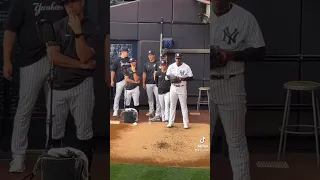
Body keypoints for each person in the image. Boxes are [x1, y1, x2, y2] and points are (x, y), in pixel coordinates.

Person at [2, 0, 66, 173]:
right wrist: (7, 60)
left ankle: (52, 154)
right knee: (24, 109)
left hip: (58, 60)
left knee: (55, 109)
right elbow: (10, 31)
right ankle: (18, 157)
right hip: (31, 61)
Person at [210, 0, 266, 180]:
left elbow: (260, 51)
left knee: (236, 142)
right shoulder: (199, 13)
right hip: (204, 84)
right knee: (198, 141)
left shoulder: (245, 17)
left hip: (231, 83)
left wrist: (232, 54)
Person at [48, 0, 100, 175]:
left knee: (84, 131)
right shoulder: (56, 26)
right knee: (55, 131)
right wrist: (82, 65)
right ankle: (56, 172)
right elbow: (55, 57)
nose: (69, 7)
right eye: (66, 4)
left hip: (82, 85)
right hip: (58, 86)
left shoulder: (92, 28)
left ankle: (84, 174)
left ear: (82, 2)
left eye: (72, 2)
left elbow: (84, 55)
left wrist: (78, 32)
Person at [166, 53, 193, 129]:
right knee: (172, 105)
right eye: (177, 58)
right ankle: (170, 122)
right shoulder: (171, 66)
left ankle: (186, 123)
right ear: (175, 58)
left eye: (179, 58)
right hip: (173, 87)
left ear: (181, 58)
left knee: (183, 106)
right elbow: (167, 75)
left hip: (182, 87)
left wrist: (182, 79)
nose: (178, 60)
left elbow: (191, 77)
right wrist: (173, 78)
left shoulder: (186, 67)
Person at [111, 48, 131, 117]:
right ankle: (115, 110)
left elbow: (133, 68)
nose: (127, 53)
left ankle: (126, 110)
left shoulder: (129, 60)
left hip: (127, 79)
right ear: (123, 52)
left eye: (128, 52)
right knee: (117, 95)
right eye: (126, 52)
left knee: (127, 96)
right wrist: (112, 80)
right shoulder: (117, 60)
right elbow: (113, 71)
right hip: (119, 80)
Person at [143, 50, 161, 120]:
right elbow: (144, 74)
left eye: (151, 55)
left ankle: (158, 112)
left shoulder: (158, 63)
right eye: (149, 55)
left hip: (156, 84)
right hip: (148, 83)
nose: (150, 56)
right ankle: (151, 111)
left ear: (154, 55)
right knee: (150, 99)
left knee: (158, 99)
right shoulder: (146, 64)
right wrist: (143, 83)